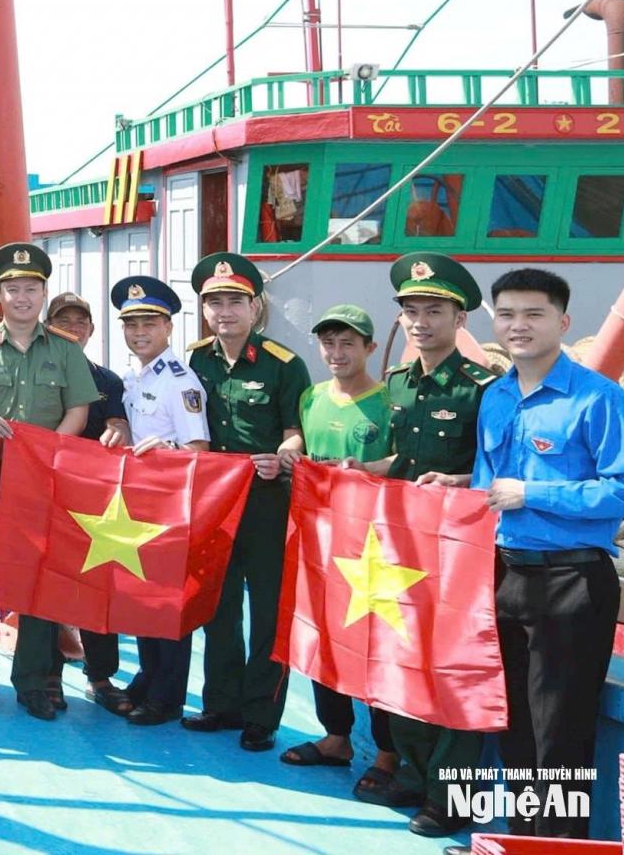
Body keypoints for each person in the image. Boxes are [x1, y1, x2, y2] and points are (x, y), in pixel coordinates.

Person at [459, 268, 624, 840]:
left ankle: (558, 848)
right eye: (507, 314)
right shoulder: (496, 396)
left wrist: (533, 493)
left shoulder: (599, 398)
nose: (518, 325)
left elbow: (620, 490)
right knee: (515, 727)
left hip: (570, 582)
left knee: (560, 736)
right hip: (505, 576)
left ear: (564, 321)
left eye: (534, 314)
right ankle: (522, 841)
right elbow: (487, 484)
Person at [375, 253, 498, 835]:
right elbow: (400, 459)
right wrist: (356, 470)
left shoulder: (484, 390)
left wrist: (459, 481)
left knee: (455, 667)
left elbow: (499, 472)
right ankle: (415, 772)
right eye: (412, 311)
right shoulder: (398, 384)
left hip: (462, 552)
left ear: (460, 319)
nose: (420, 322)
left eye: (434, 311)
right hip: (405, 545)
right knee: (404, 655)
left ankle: (453, 795)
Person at [0, 243, 98, 719]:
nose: (22, 298)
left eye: (31, 289)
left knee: (37, 578)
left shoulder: (65, 348)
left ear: (43, 293)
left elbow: (78, 410)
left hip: (42, 482)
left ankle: (33, 683)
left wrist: (47, 452)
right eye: (12, 289)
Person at [182, 251, 308, 752]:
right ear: (204, 310)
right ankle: (221, 703)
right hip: (214, 504)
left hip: (267, 503)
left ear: (255, 307)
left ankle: (261, 715)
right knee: (219, 604)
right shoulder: (194, 360)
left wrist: (283, 456)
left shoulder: (284, 365)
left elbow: (296, 432)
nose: (225, 312)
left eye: (235, 301)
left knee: (268, 611)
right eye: (215, 302)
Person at [280, 304, 403, 791]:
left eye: (348, 343)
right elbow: (302, 446)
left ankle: (388, 751)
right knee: (323, 633)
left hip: (375, 542)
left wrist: (367, 470)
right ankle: (336, 736)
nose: (337, 352)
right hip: (320, 536)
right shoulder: (311, 397)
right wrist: (291, 453)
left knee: (376, 639)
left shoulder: (389, 402)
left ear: (369, 348)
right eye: (328, 343)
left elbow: (405, 459)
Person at [103, 275, 210, 726]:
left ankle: (167, 697)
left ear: (168, 327)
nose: (139, 332)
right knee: (142, 597)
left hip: (170, 506)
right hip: (139, 503)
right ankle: (149, 677)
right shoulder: (134, 377)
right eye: (131, 325)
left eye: (149, 323)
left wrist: (167, 451)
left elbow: (198, 450)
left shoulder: (180, 382)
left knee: (166, 604)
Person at [45, 291, 132, 713]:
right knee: (47, 585)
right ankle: (48, 674)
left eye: (80, 322)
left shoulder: (109, 382)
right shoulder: (38, 374)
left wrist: (119, 426)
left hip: (96, 502)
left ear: (92, 329)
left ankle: (100, 676)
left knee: (100, 585)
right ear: (48, 327)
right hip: (47, 494)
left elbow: (119, 422)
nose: (73, 328)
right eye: (63, 321)